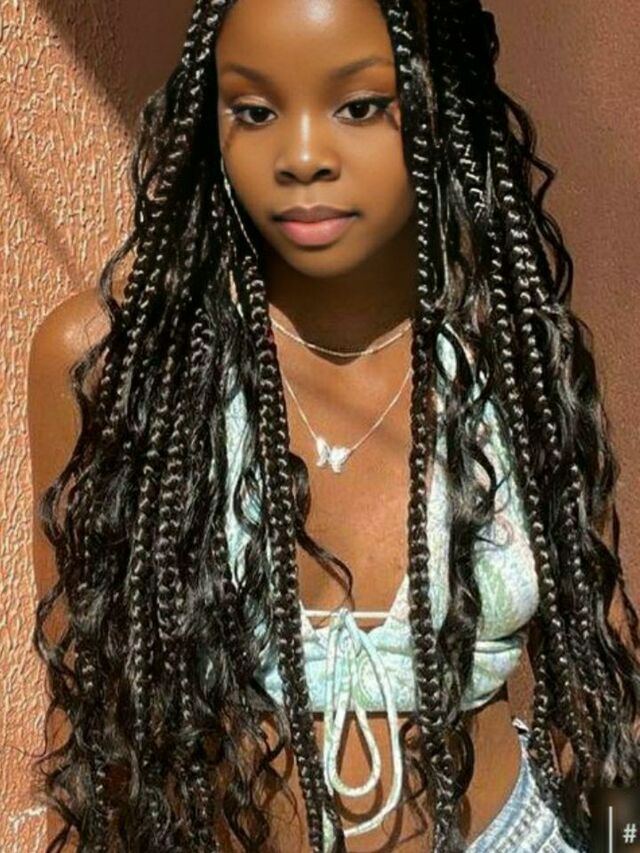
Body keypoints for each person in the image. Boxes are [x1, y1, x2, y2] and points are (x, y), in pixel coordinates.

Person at [27, 0, 640, 851]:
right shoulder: (116, 366)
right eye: (254, 110)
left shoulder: (518, 362)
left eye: (359, 105)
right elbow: (89, 741)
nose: (303, 155)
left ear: (440, 103)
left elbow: (602, 709)